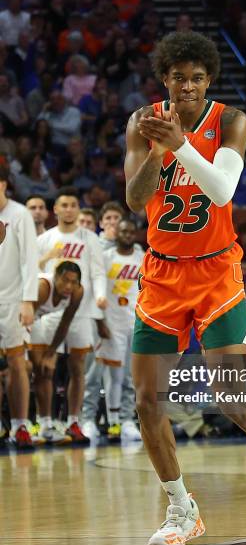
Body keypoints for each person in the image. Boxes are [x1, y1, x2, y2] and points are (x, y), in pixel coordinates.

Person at [124, 30, 246, 545]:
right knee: (148, 401)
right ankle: (181, 509)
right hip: (163, 273)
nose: (187, 87)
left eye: (196, 79)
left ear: (208, 80)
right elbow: (133, 199)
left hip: (216, 272)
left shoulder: (231, 121)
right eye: (177, 78)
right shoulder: (142, 123)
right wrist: (158, 149)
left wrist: (181, 145)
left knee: (231, 395)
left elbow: (222, 190)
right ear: (164, 80)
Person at [37, 187, 107, 443]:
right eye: (63, 205)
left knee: (78, 368)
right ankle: (45, 422)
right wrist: (47, 257)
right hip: (50, 310)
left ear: (78, 209)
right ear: (55, 209)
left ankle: (74, 422)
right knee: (45, 366)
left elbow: (98, 272)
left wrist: (100, 297)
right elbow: (32, 271)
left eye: (73, 205)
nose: (68, 209)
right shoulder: (45, 239)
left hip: (81, 308)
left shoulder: (90, 238)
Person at [0, 165, 39, 449]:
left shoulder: (19, 214)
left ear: (4, 184)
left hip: (13, 299)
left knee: (16, 363)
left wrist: (28, 300)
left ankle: (20, 425)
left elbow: (29, 260)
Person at [95, 219, 144, 441]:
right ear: (117, 233)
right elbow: (98, 290)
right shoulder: (106, 258)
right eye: (123, 230)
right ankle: (111, 420)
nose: (127, 234)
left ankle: (126, 419)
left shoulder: (141, 258)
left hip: (135, 321)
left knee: (132, 376)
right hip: (111, 321)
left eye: (130, 231)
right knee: (112, 374)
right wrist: (100, 321)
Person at [30, 261, 83, 444]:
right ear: (55, 277)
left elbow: (65, 323)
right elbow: (23, 316)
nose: (69, 286)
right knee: (25, 366)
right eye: (65, 280)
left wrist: (51, 353)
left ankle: (45, 427)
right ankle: (20, 426)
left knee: (46, 369)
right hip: (15, 315)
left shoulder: (77, 293)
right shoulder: (43, 287)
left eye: (73, 282)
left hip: (35, 319)